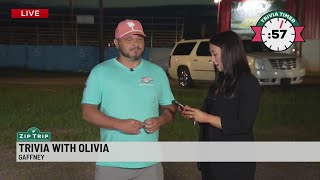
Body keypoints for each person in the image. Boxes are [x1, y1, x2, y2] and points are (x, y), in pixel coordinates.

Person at [81, 19, 176, 180]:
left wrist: (160, 120)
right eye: (129, 39)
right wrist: (119, 124)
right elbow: (87, 112)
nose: (136, 43)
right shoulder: (100, 72)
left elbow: (171, 107)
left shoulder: (157, 72)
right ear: (117, 43)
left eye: (139, 39)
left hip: (150, 165)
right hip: (112, 164)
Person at [180, 31, 261, 180]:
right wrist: (194, 114)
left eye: (214, 54)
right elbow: (209, 115)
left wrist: (206, 117)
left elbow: (243, 124)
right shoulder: (218, 83)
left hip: (233, 164)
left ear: (230, 52)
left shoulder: (248, 83)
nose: (212, 59)